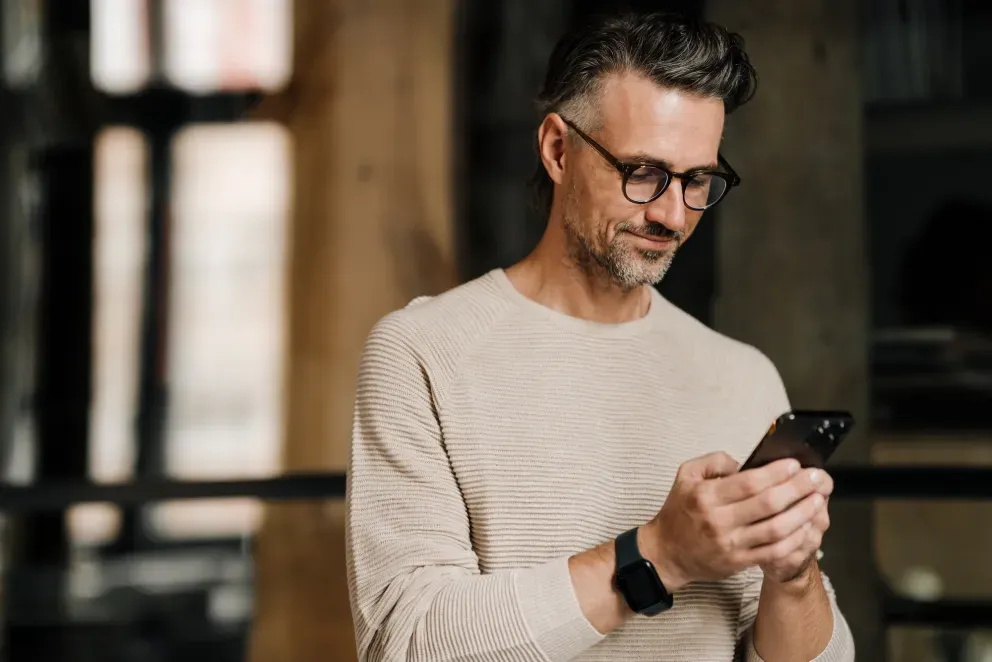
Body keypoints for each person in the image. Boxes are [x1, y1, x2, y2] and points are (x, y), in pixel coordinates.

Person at [345, 11, 855, 662]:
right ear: (559, 150)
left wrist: (794, 573)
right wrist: (658, 556)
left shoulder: (744, 374)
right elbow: (407, 643)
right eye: (643, 171)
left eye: (698, 180)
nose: (672, 213)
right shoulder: (423, 352)